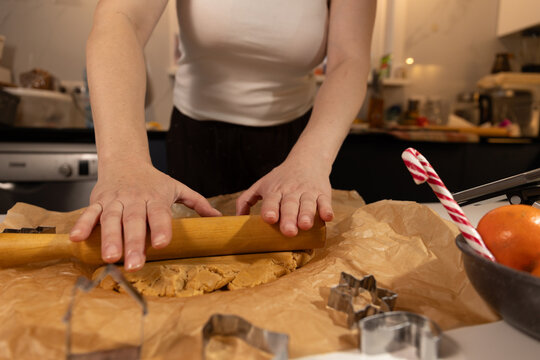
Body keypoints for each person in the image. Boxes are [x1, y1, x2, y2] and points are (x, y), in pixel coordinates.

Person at [69, 0, 376, 272]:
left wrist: (312, 160)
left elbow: (349, 58)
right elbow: (121, 17)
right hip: (196, 140)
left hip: (298, 143)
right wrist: (123, 162)